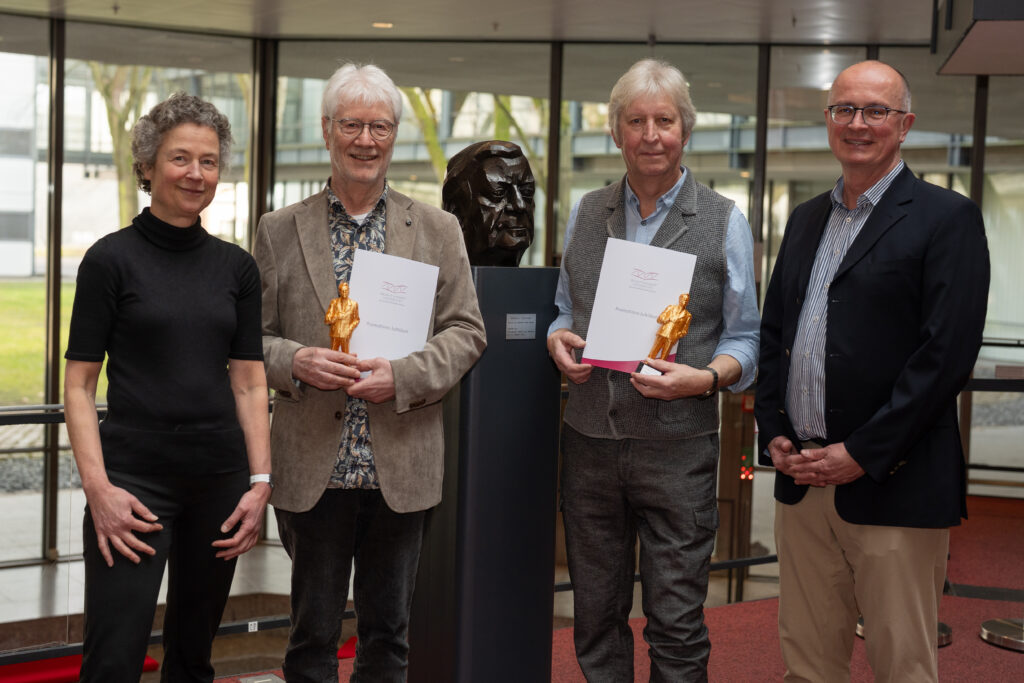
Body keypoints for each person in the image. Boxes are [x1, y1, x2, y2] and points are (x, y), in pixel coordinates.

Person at [754, 60, 990, 683]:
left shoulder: (948, 218)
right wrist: (774, 428)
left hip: (895, 484)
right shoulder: (806, 218)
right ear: (828, 120)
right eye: (844, 110)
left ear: (905, 124)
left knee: (902, 666)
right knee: (806, 664)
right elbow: (776, 331)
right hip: (802, 481)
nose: (858, 124)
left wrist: (861, 451)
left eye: (875, 111)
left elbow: (944, 360)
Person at [253, 63, 486, 683]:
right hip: (314, 467)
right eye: (351, 124)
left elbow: (467, 332)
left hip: (400, 467)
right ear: (328, 130)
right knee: (311, 642)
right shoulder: (279, 230)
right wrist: (295, 360)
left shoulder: (437, 230)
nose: (365, 139)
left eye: (378, 126)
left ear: (394, 135)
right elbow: (250, 339)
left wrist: (403, 377)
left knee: (388, 641)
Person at [546, 58, 760, 682]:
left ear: (685, 130)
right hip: (588, 445)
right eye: (635, 121)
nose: (650, 135)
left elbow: (748, 339)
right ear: (616, 132)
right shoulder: (588, 212)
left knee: (675, 622)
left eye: (664, 120)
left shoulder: (725, 221)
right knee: (595, 618)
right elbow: (565, 309)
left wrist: (707, 379)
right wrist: (559, 341)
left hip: (678, 450)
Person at [64, 92, 272, 682]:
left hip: (220, 484)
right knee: (113, 658)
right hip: (133, 485)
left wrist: (261, 484)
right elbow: (77, 388)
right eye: (181, 158)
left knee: (193, 658)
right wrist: (99, 490)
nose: (196, 173)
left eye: (209, 162)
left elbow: (250, 381)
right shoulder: (109, 261)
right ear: (149, 165)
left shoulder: (237, 268)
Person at [441, 139, 535, 266]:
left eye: (527, 192)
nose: (520, 205)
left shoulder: (545, 284)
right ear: (456, 211)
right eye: (498, 192)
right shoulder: (431, 282)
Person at [648, 293, 692, 361]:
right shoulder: (671, 307)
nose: (685, 302)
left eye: (687, 301)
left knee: (664, 355)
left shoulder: (688, 315)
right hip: (662, 332)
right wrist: (667, 319)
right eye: (683, 300)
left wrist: (677, 335)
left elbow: (684, 331)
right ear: (679, 300)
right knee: (654, 350)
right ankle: (647, 363)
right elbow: (659, 319)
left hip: (672, 337)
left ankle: (659, 368)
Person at [325, 282, 359, 353]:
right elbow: (327, 319)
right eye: (342, 291)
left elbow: (356, 319)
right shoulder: (334, 302)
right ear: (339, 291)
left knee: (345, 354)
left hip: (346, 333)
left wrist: (350, 328)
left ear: (349, 290)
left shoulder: (354, 304)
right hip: (335, 333)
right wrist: (336, 316)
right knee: (332, 354)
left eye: (346, 291)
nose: (344, 293)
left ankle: (346, 364)